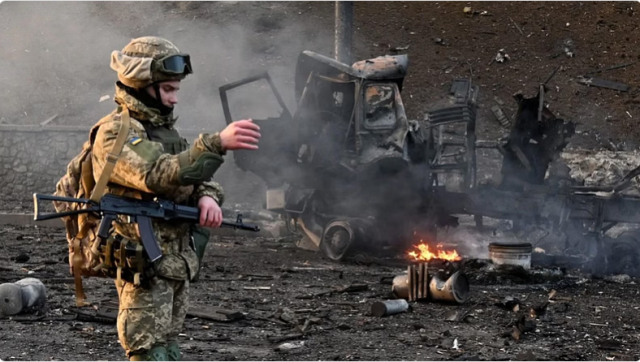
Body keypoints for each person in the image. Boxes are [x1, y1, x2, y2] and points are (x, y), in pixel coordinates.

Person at [95, 36, 260, 361]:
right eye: (168, 89)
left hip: (174, 261)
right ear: (142, 85)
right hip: (144, 262)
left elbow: (195, 177)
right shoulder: (116, 133)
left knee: (168, 346)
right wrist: (215, 144)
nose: (175, 99)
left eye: (176, 90)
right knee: (147, 349)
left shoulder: (163, 132)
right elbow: (157, 174)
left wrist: (207, 198)